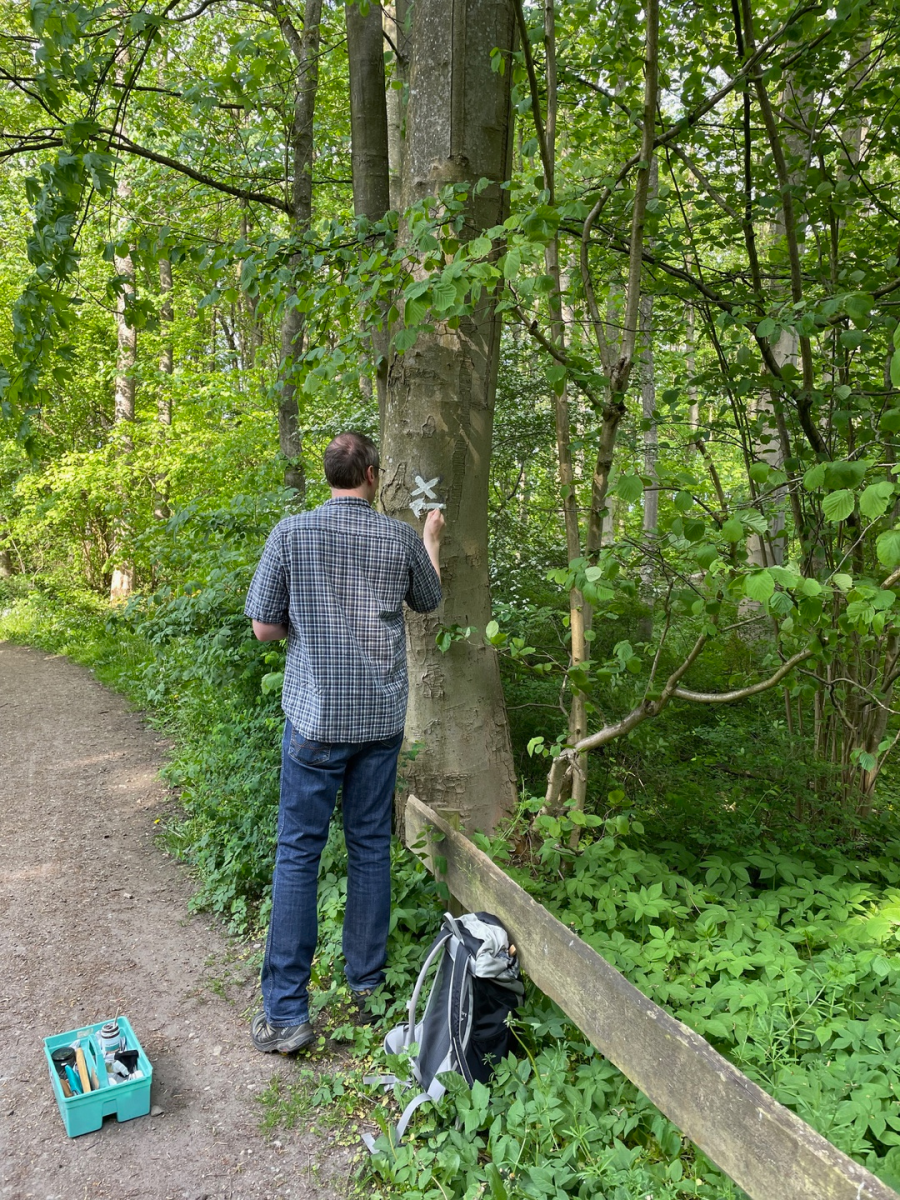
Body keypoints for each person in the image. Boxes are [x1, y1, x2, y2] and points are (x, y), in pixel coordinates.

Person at [244, 431, 444, 1053]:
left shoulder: (291, 533)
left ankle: (286, 1015)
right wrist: (432, 541)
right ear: (373, 475)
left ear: (329, 474)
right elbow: (430, 600)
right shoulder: (398, 539)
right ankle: (366, 991)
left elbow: (264, 628)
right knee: (370, 848)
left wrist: (309, 623)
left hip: (316, 721)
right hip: (379, 724)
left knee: (298, 853)